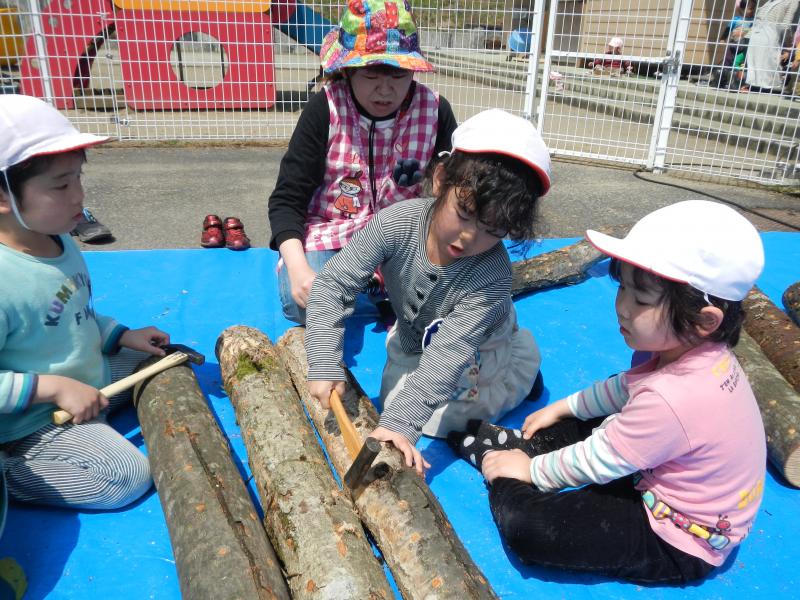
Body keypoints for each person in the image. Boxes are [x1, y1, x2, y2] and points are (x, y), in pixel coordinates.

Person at [448, 200, 766, 583]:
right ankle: (523, 447)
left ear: (703, 320)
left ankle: (503, 468)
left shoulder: (676, 398)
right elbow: (625, 388)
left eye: (641, 299)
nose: (622, 308)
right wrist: (564, 407)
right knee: (604, 413)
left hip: (677, 536)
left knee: (529, 529)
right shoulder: (694, 353)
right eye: (623, 289)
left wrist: (529, 472)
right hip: (657, 466)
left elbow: (601, 459)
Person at [305, 109, 551, 473]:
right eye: (464, 214)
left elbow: (448, 356)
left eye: (492, 230)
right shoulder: (395, 222)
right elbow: (333, 283)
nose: (470, 237)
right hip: (419, 329)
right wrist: (324, 359)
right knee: (392, 397)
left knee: (443, 422)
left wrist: (400, 426)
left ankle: (519, 370)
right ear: (440, 179)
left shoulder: (492, 275)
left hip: (477, 340)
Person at [0, 94, 169, 510]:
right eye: (61, 184)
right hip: (33, 422)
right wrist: (53, 388)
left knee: (162, 358)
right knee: (124, 477)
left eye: (78, 177)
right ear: (2, 197)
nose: (79, 196)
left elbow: (74, 314)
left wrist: (121, 336)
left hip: (88, 380)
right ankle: (11, 471)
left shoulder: (57, 238)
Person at [268, 0, 458, 325]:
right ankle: (375, 291)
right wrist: (298, 268)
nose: (385, 90)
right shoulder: (325, 109)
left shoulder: (434, 111)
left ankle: (383, 289)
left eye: (398, 75)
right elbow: (287, 198)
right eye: (371, 75)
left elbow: (452, 193)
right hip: (332, 232)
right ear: (348, 69)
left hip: (406, 236)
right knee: (301, 304)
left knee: (439, 303)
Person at [741, 0, 800, 93]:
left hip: (765, 34)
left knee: (764, 65)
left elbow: (787, 25)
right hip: (762, 34)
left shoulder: (790, 1)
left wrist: (787, 45)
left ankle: (759, 87)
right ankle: (756, 86)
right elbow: (786, 25)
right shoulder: (772, 2)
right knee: (758, 65)